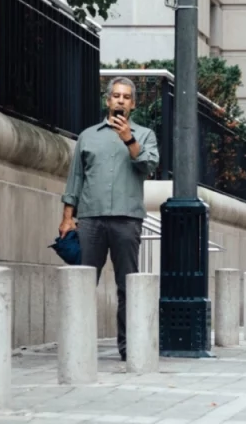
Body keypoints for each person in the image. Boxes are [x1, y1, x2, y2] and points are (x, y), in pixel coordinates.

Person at [59, 77, 159, 362]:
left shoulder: (145, 135)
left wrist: (129, 138)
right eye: (116, 95)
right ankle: (77, 343)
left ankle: (128, 346)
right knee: (83, 282)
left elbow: (149, 165)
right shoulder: (88, 136)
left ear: (134, 104)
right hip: (91, 218)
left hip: (127, 220)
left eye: (126, 97)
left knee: (127, 284)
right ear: (107, 100)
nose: (120, 100)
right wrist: (68, 217)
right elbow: (75, 178)